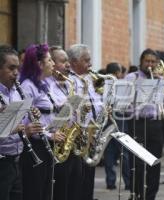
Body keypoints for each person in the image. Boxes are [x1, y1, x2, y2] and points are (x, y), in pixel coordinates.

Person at [125, 48, 164, 200]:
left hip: (155, 124)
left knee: (154, 162)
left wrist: (163, 84)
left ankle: (151, 195)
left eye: (153, 62)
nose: (150, 65)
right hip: (136, 123)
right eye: (147, 61)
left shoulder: (160, 79)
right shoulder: (131, 78)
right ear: (141, 62)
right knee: (137, 163)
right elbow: (123, 102)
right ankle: (137, 193)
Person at [19, 44, 65, 200]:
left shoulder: (41, 85)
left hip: (45, 144)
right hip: (35, 146)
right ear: (39, 64)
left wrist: (53, 131)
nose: (53, 64)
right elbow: (27, 123)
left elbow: (44, 116)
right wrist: (49, 135)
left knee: (46, 191)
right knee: (35, 191)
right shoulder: (27, 86)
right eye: (50, 60)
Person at [0, 45, 43, 200]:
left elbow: (20, 124)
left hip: (16, 161)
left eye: (17, 68)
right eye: (11, 68)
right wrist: (22, 129)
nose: (16, 73)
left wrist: (31, 116)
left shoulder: (17, 93)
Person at [46, 46, 83, 200]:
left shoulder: (70, 84)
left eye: (68, 61)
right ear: (52, 64)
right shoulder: (47, 85)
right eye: (63, 61)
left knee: (74, 189)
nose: (68, 65)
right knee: (60, 190)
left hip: (71, 141)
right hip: (56, 142)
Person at [67, 44, 102, 200]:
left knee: (88, 180)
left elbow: (96, 103)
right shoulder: (70, 81)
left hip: (91, 133)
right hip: (78, 135)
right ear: (74, 62)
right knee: (77, 184)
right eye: (86, 60)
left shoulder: (88, 78)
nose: (91, 64)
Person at [103, 62, 130, 190]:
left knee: (109, 152)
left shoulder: (102, 84)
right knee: (123, 152)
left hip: (107, 122)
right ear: (117, 73)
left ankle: (110, 182)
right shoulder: (123, 85)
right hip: (118, 120)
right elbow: (126, 106)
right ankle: (128, 182)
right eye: (120, 72)